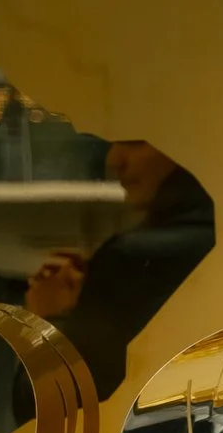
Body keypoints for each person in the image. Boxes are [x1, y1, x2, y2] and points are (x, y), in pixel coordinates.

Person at [22, 138, 213, 399]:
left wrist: (47, 321)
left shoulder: (131, 258)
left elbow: (45, 409)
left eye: (135, 142)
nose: (114, 159)